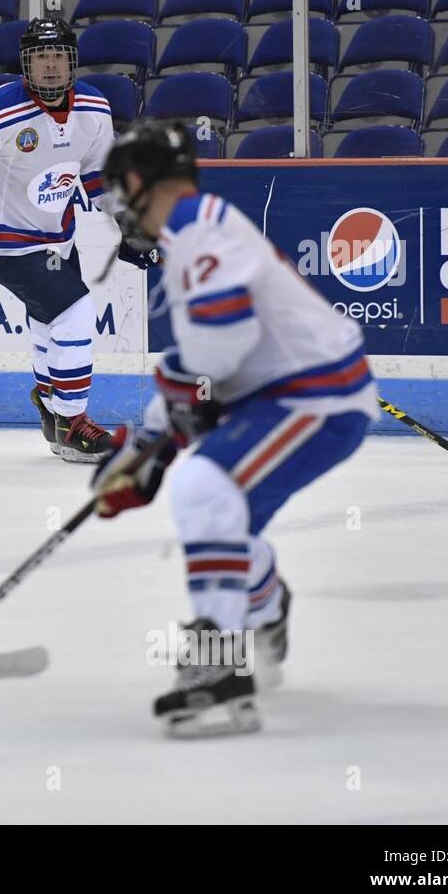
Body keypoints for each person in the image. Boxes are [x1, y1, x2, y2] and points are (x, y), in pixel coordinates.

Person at [93, 118, 378, 737]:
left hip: (314, 396)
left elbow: (219, 352)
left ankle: (221, 675)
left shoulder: (199, 235)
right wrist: (147, 445)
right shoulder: (195, 227)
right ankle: (267, 603)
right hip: (290, 394)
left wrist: (162, 447)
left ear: (139, 180)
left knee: (204, 486)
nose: (119, 203)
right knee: (220, 514)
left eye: (120, 186)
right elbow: (203, 370)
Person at [0, 17, 153, 463]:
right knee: (75, 312)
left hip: (58, 236)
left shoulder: (94, 109)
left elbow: (99, 176)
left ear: (73, 62)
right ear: (24, 64)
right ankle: (72, 422)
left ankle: (52, 412)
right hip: (1, 240)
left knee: (50, 320)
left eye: (59, 56)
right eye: (40, 57)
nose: (50, 66)